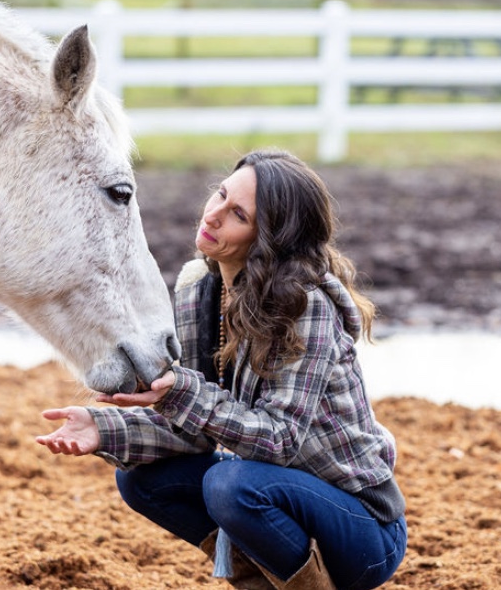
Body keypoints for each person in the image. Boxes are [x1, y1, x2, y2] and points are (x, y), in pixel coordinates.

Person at [35, 149, 407, 590]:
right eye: (220, 195)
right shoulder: (198, 289)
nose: (212, 216)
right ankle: (265, 584)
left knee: (230, 486)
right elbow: (195, 430)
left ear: (268, 238)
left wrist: (177, 392)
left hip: (360, 528)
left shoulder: (305, 308)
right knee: (143, 480)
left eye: (238, 215)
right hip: (278, 496)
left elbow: (279, 440)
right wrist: (106, 428)